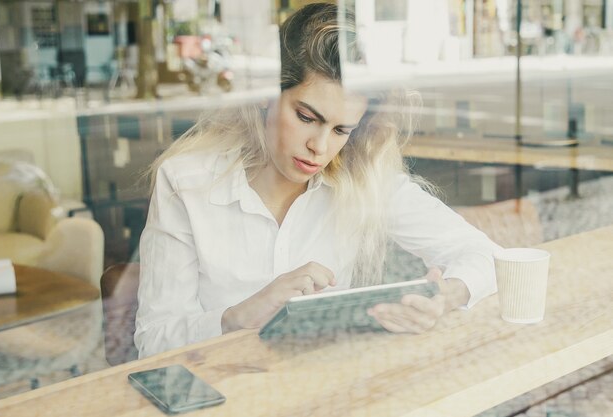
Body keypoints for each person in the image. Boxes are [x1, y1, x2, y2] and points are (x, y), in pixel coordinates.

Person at [135, 2, 500, 358]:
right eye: (306, 117)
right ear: (266, 94)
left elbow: (486, 255)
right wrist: (240, 315)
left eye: (341, 129)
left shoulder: (363, 180)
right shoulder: (187, 182)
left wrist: (445, 297)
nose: (319, 147)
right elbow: (153, 341)